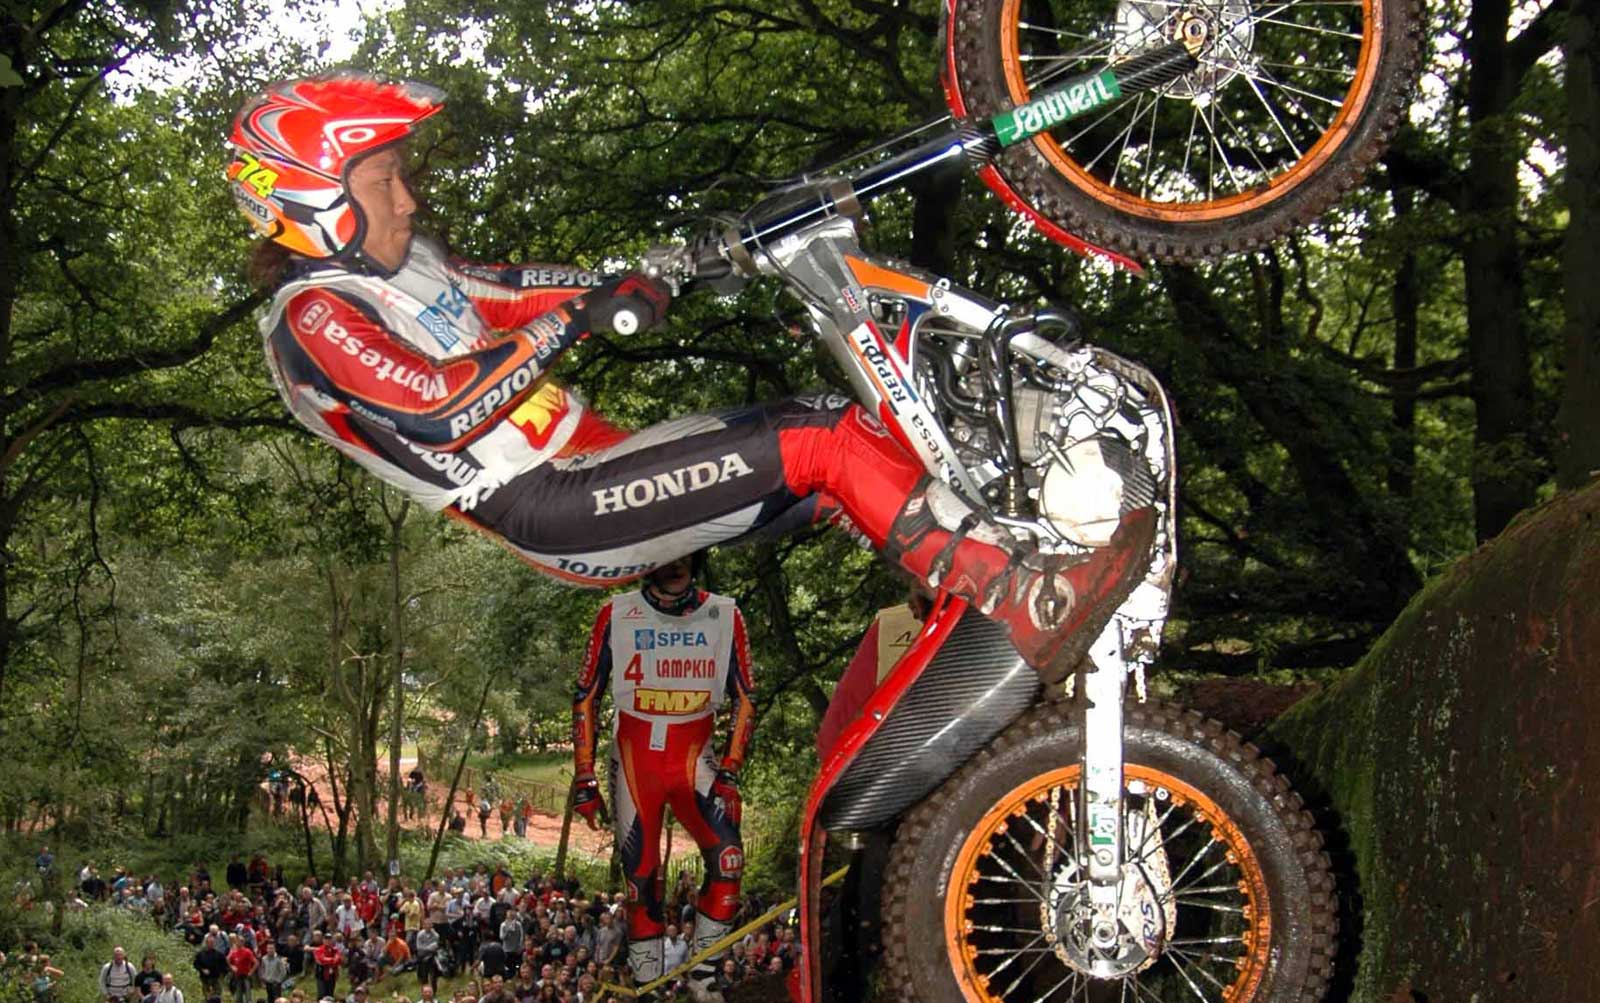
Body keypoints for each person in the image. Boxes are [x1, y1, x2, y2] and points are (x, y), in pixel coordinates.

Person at [225, 73, 1154, 713]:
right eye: (385, 181)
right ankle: (1023, 598)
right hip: (549, 504)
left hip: (599, 461)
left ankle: (991, 594)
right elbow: (438, 406)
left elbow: (515, 291)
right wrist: (577, 319)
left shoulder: (410, 264)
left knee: (839, 439)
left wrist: (655, 272)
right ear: (312, 200)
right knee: (819, 440)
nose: (408, 200)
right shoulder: (312, 320)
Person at [572, 555, 754, 1003]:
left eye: (684, 554)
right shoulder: (616, 613)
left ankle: (704, 977)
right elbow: (586, 694)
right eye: (665, 556)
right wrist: (584, 775)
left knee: (729, 859)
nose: (676, 565)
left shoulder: (724, 613)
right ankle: (648, 996)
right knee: (641, 877)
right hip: (637, 760)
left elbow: (747, 696)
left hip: (695, 760)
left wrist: (731, 767)